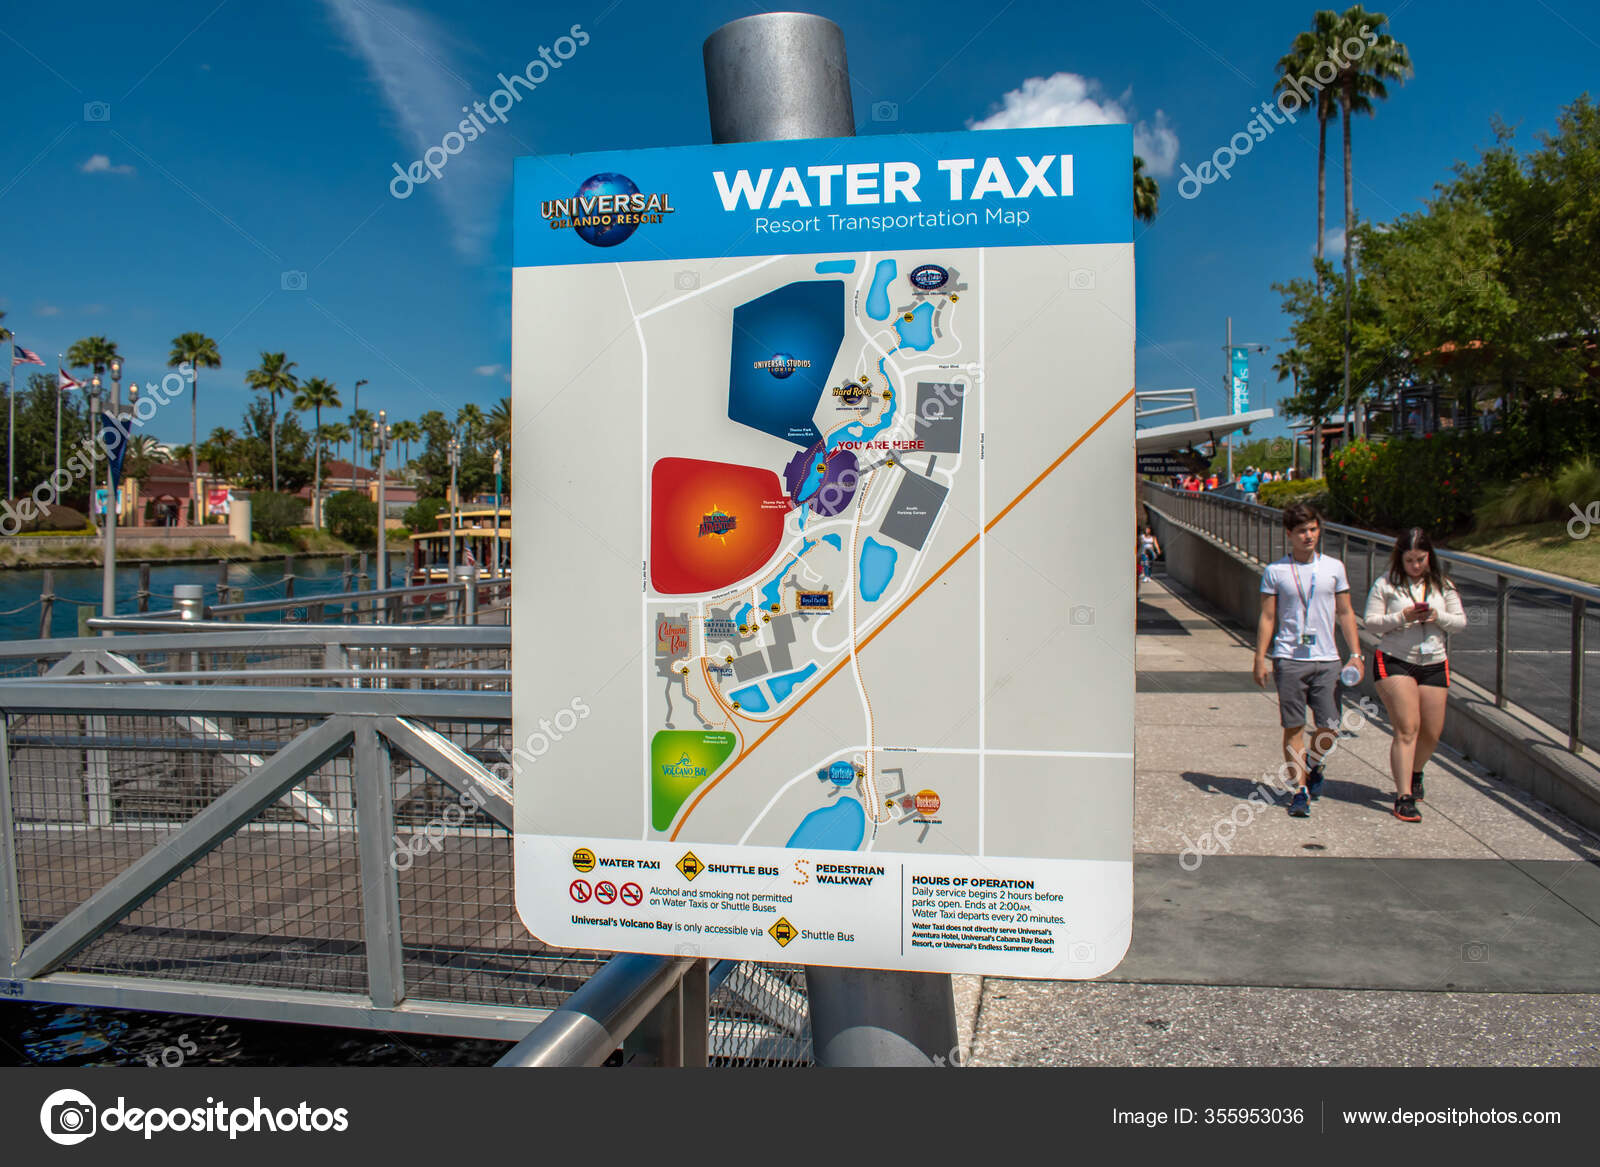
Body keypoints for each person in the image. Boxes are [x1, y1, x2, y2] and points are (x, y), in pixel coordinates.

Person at [1253, 503, 1364, 818]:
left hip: (1328, 659)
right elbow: (1267, 616)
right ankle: (1299, 791)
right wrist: (1260, 657)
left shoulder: (1333, 567)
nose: (1308, 536)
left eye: (1313, 529)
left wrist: (1355, 654)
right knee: (1294, 725)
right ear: (1289, 534)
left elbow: (1345, 612)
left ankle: (1314, 764)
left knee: (1329, 726)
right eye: (1301, 531)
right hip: (1289, 658)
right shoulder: (1276, 571)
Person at [1363, 528, 1466, 822]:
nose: (1416, 566)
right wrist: (1401, 617)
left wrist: (1437, 616)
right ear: (1400, 559)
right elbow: (1370, 623)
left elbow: (1459, 623)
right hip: (1396, 660)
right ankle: (1403, 796)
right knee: (1408, 728)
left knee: (1431, 733)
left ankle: (1416, 771)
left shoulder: (1442, 585)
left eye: (1421, 559)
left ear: (1429, 557)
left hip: (1434, 661)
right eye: (1409, 560)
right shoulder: (1386, 584)